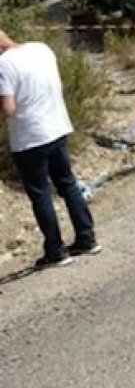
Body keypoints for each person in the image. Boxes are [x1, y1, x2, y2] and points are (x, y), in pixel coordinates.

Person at [0, 31, 100, 269]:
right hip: (57, 127)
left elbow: (9, 108)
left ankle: (56, 250)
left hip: (29, 137)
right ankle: (87, 237)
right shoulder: (41, 48)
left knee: (40, 193)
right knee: (68, 183)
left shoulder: (4, 65)